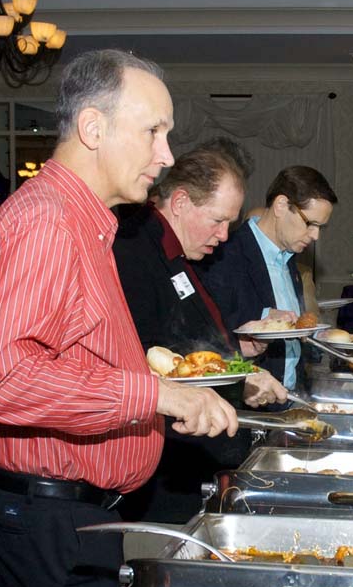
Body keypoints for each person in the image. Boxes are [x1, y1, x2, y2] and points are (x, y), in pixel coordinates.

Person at [0, 48, 241, 587]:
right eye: (153, 132)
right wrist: (152, 393)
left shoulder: (87, 225)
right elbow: (2, 381)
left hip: (75, 515)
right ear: (92, 128)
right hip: (45, 516)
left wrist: (162, 391)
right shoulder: (46, 224)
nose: (166, 154)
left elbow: (72, 358)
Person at [114, 137, 287, 521]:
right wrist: (235, 374)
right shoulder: (133, 250)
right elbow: (146, 355)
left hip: (200, 455)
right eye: (217, 220)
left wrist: (237, 351)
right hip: (166, 467)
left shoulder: (180, 250)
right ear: (179, 202)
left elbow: (187, 335)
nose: (224, 235)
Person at [200, 165, 337, 388]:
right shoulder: (224, 254)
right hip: (247, 398)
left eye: (321, 227)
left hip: (290, 395)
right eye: (311, 223)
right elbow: (208, 333)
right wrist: (265, 319)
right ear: (281, 205)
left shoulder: (289, 256)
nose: (315, 235)